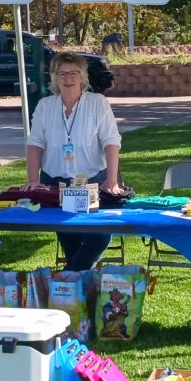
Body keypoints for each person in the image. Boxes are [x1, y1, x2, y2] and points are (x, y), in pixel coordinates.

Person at [25, 52, 123, 270]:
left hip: (93, 183)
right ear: (54, 78)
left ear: (82, 77)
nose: (68, 79)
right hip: (55, 184)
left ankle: (66, 279)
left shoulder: (98, 103)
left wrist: (113, 181)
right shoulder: (45, 106)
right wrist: (33, 180)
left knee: (99, 236)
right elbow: (35, 144)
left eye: (73, 73)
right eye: (62, 74)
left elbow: (111, 141)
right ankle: (76, 294)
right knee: (69, 240)